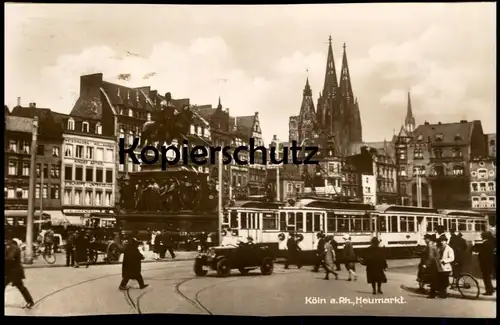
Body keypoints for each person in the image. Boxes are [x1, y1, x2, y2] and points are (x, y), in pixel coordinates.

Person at [4, 239, 35, 309]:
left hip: (14, 272)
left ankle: (30, 301)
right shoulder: (10, 247)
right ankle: (30, 301)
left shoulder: (14, 247)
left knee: (21, 287)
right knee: (21, 287)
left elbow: (10, 258)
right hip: (12, 271)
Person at [473, 231, 495, 296]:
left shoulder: (485, 243)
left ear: (485, 236)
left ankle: (489, 291)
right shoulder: (491, 243)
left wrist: (478, 253)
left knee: (486, 277)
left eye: (482, 236)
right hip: (490, 262)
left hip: (485, 263)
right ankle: (491, 289)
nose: (481, 237)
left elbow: (482, 253)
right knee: (488, 277)